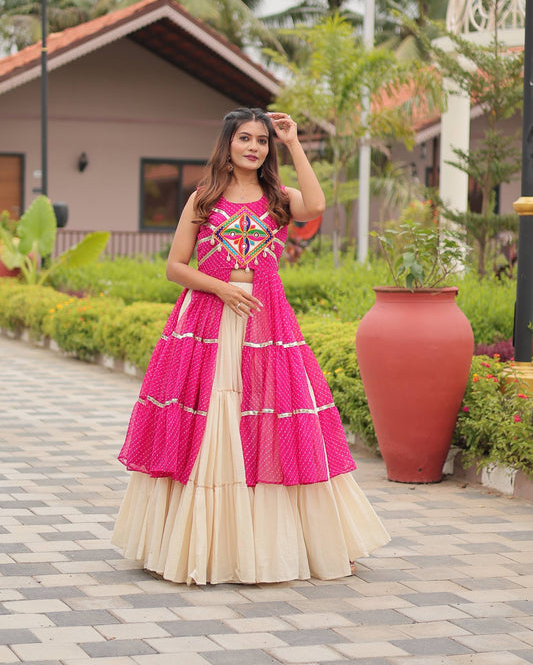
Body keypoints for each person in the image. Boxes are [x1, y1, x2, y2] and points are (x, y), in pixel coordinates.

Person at [112, 107, 390, 585]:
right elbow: (175, 267)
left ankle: (271, 547)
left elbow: (316, 205)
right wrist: (221, 288)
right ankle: (202, 546)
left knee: (267, 419)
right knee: (210, 421)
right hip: (207, 321)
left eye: (262, 141)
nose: (254, 147)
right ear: (228, 143)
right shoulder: (203, 199)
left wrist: (293, 141)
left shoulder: (279, 198)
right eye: (245, 138)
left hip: (266, 321)